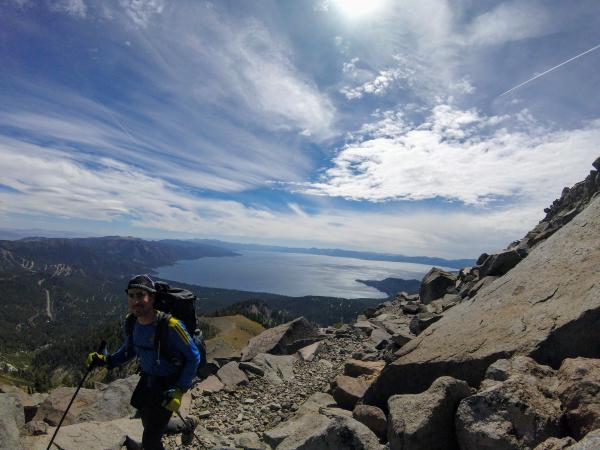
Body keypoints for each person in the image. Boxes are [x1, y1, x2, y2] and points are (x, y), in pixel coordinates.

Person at [87, 274, 201, 450]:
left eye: (140, 295)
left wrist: (179, 390)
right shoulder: (132, 322)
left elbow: (194, 357)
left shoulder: (171, 325)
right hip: (149, 380)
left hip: (170, 384)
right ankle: (187, 425)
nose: (135, 301)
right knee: (148, 422)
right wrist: (106, 361)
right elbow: (129, 350)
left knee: (150, 439)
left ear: (153, 297)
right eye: (131, 295)